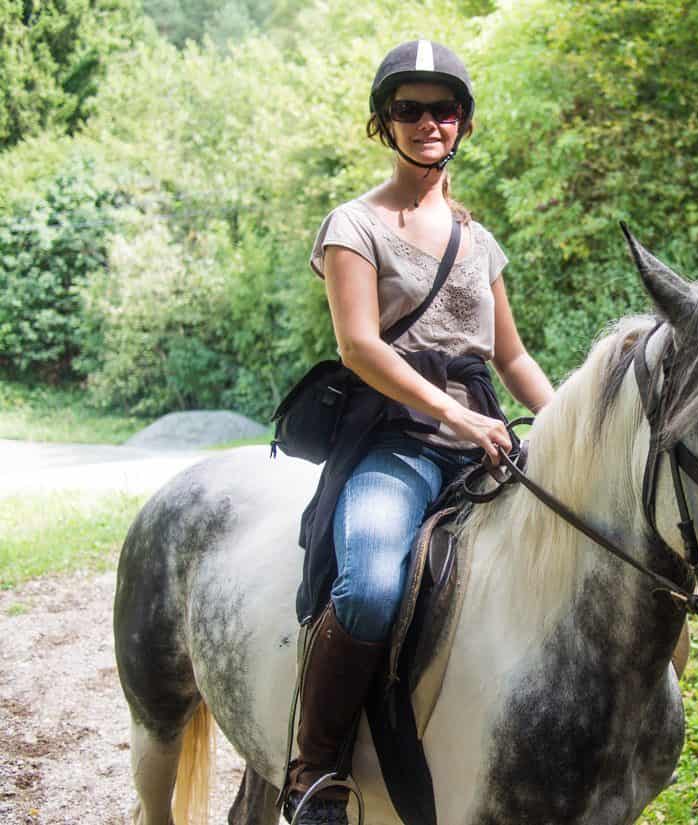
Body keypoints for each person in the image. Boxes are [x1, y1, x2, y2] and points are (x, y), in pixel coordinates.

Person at [283, 40, 555, 824]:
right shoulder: (354, 225)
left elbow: (512, 354)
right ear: (385, 122)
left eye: (443, 109)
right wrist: (454, 412)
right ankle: (315, 771)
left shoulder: (480, 240)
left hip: (485, 445)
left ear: (462, 123)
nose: (428, 122)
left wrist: (568, 422)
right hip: (396, 443)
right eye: (410, 108)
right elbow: (359, 345)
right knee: (369, 585)